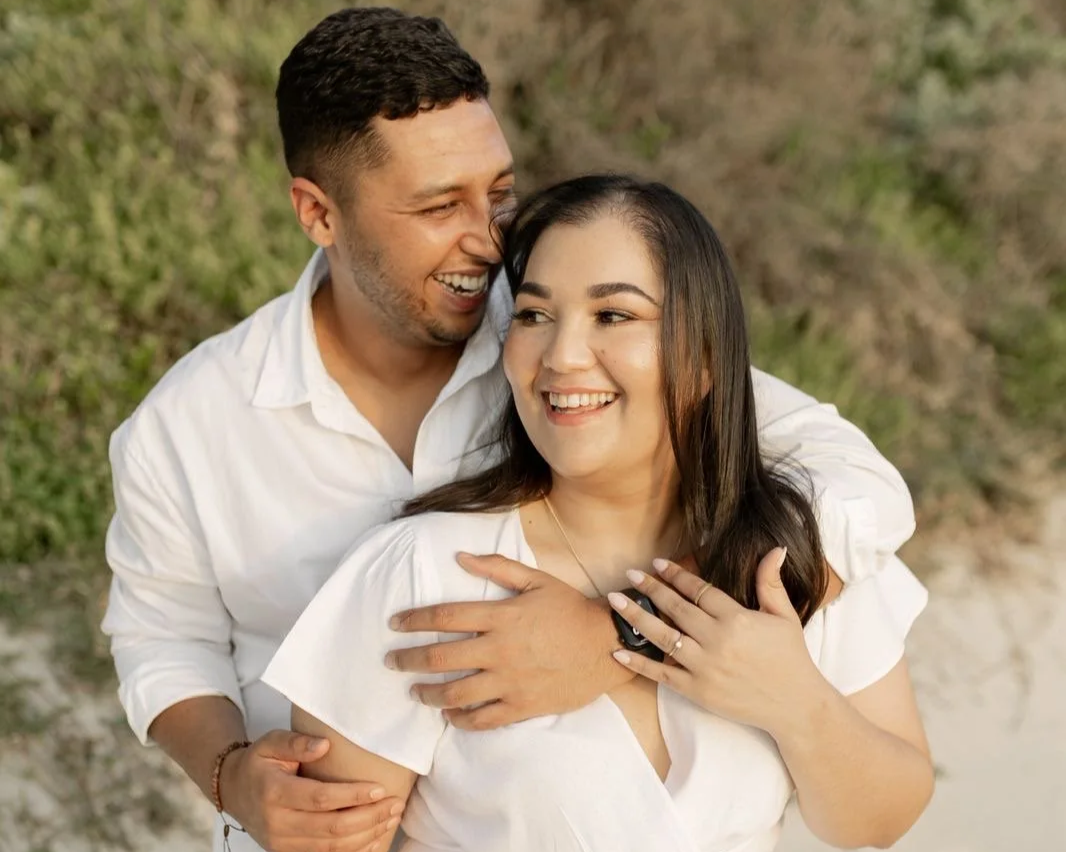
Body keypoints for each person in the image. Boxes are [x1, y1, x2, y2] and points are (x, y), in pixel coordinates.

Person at [101, 9, 917, 852]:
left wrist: (623, 632)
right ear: (319, 213)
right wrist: (229, 772)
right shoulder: (187, 425)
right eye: (438, 205)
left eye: (498, 193)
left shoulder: (561, 347)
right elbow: (165, 640)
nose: (488, 240)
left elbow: (849, 489)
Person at [262, 174, 933, 852]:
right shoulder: (423, 574)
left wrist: (797, 702)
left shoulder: (782, 553)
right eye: (533, 315)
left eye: (613, 316)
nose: (562, 356)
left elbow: (877, 823)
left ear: (702, 354)